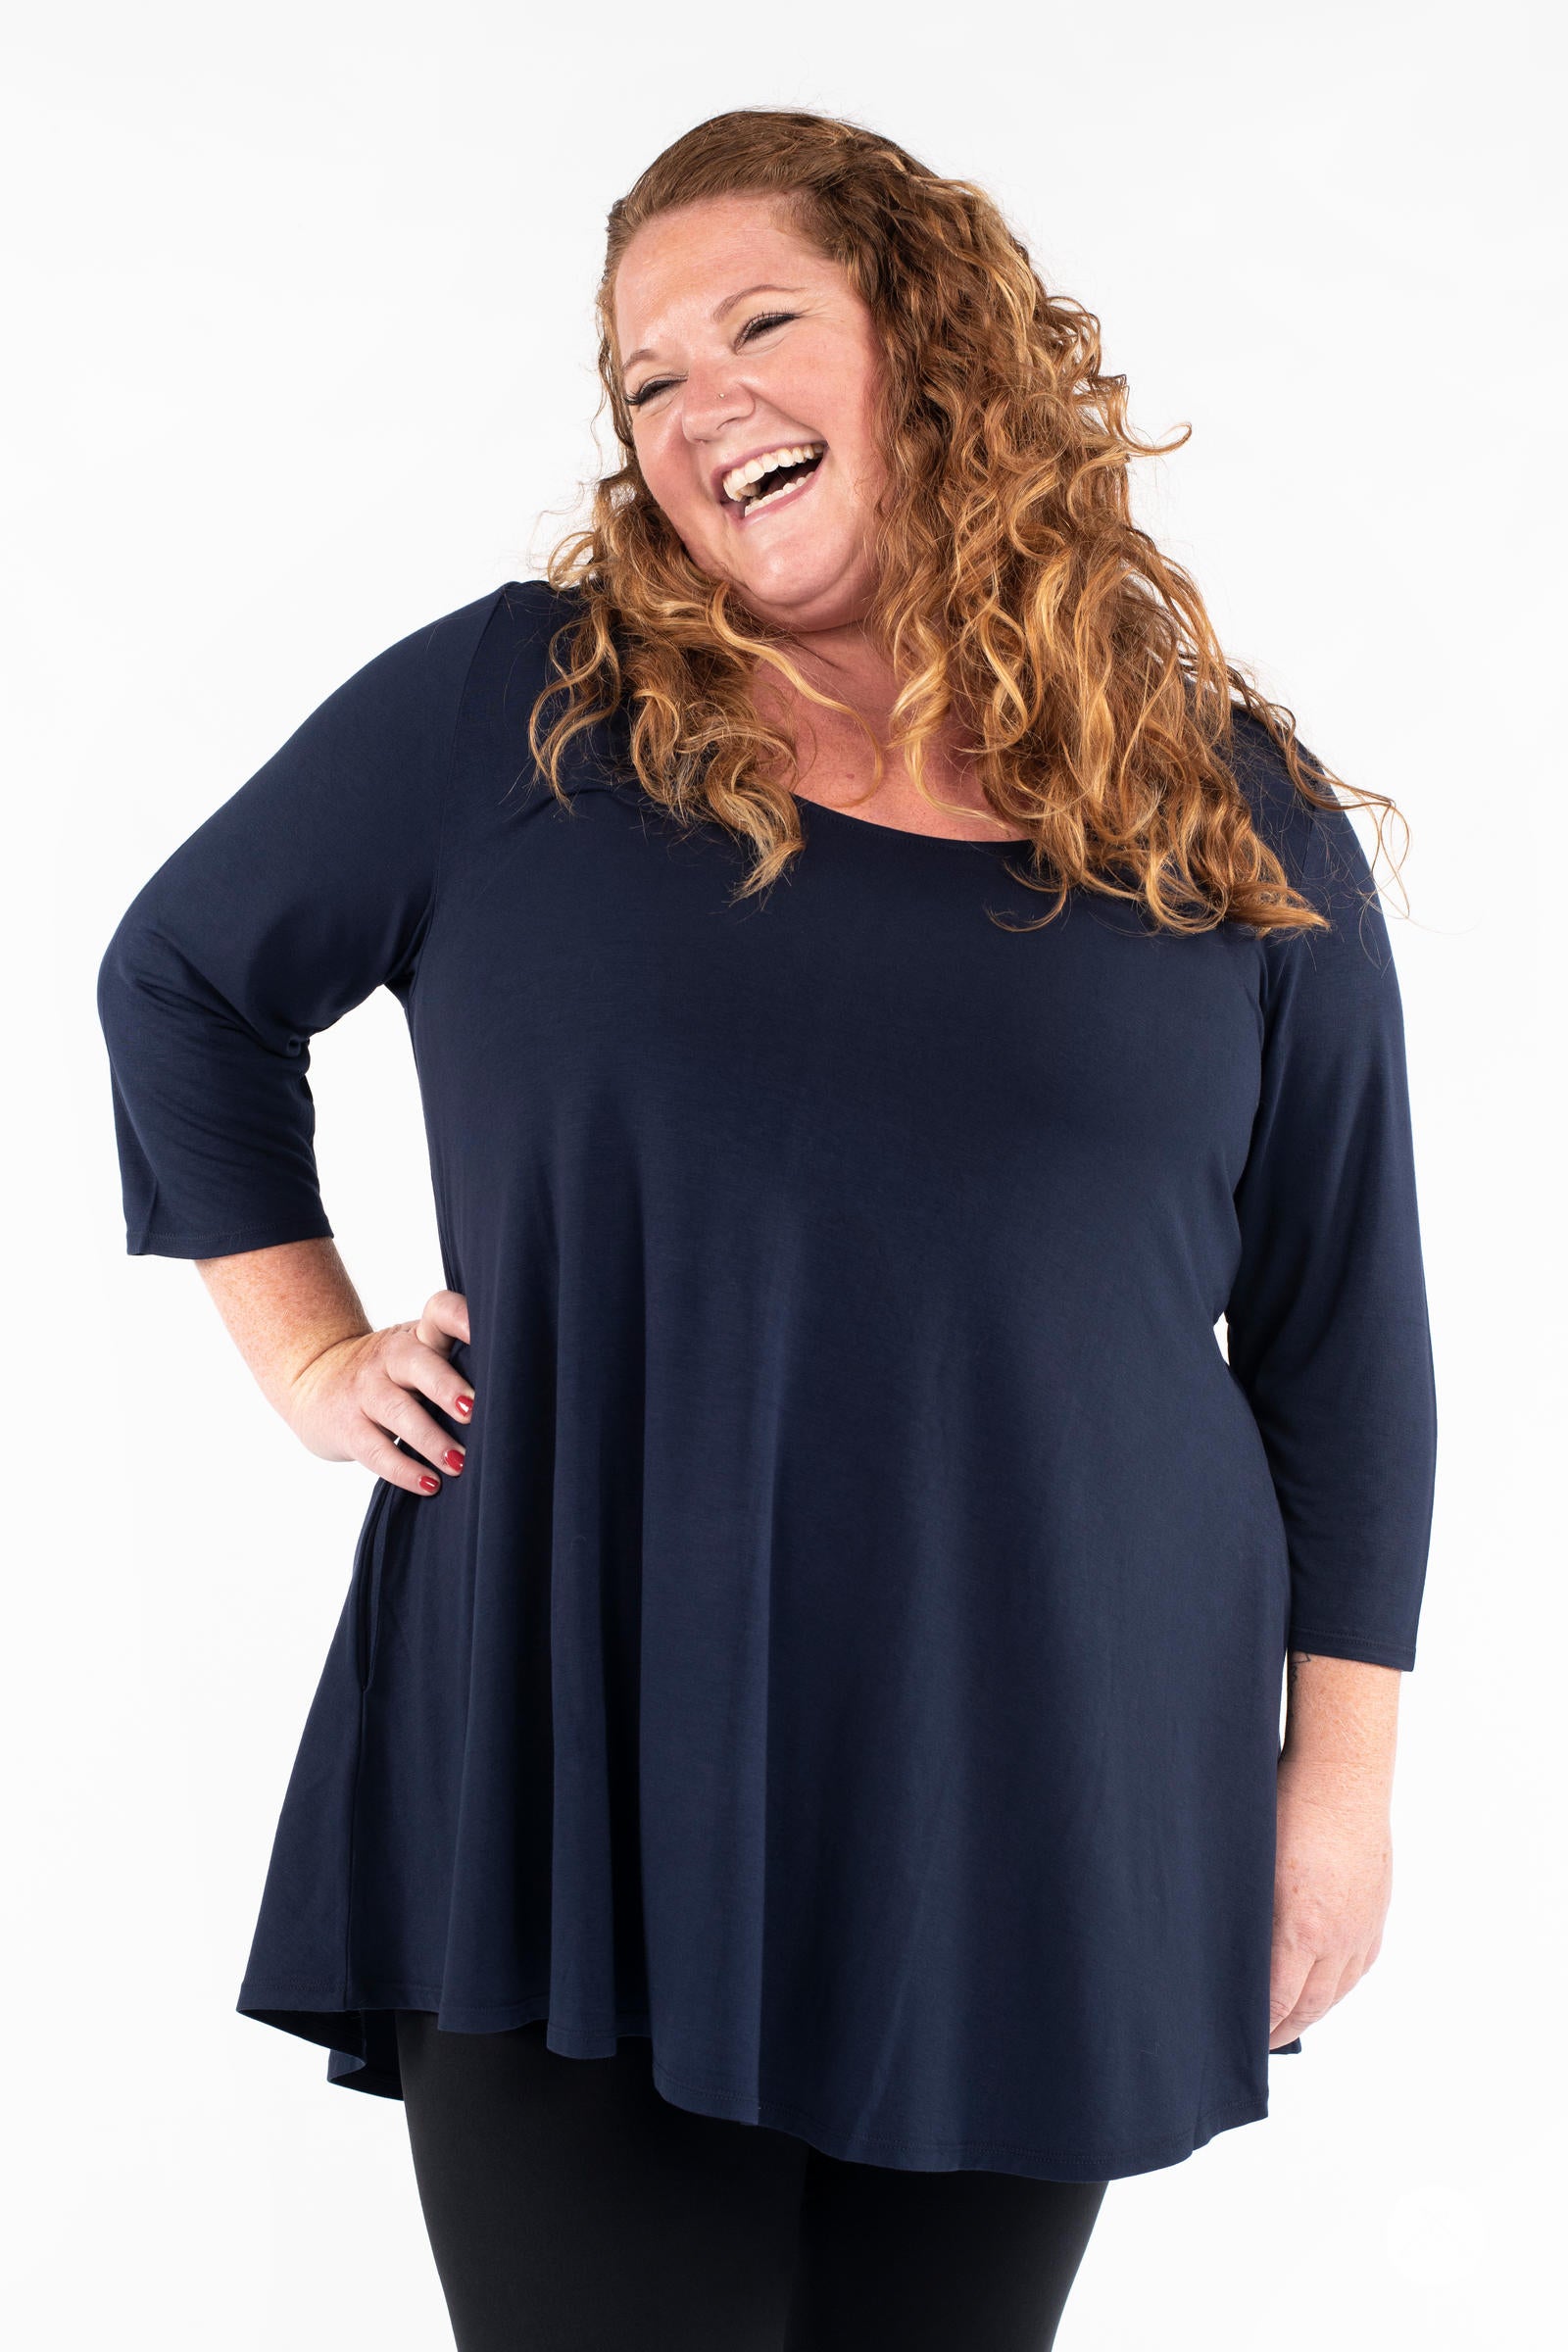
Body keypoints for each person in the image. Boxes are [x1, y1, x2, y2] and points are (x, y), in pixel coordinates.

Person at [96, 107, 1439, 2352]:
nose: (694, 401)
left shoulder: (1216, 813)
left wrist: (1337, 1794)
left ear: (926, 341)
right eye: (644, 377)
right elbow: (183, 982)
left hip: (1044, 1762)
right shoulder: (521, 716)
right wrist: (306, 1347)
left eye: (754, 325)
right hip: (583, 1745)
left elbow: (1336, 1332)